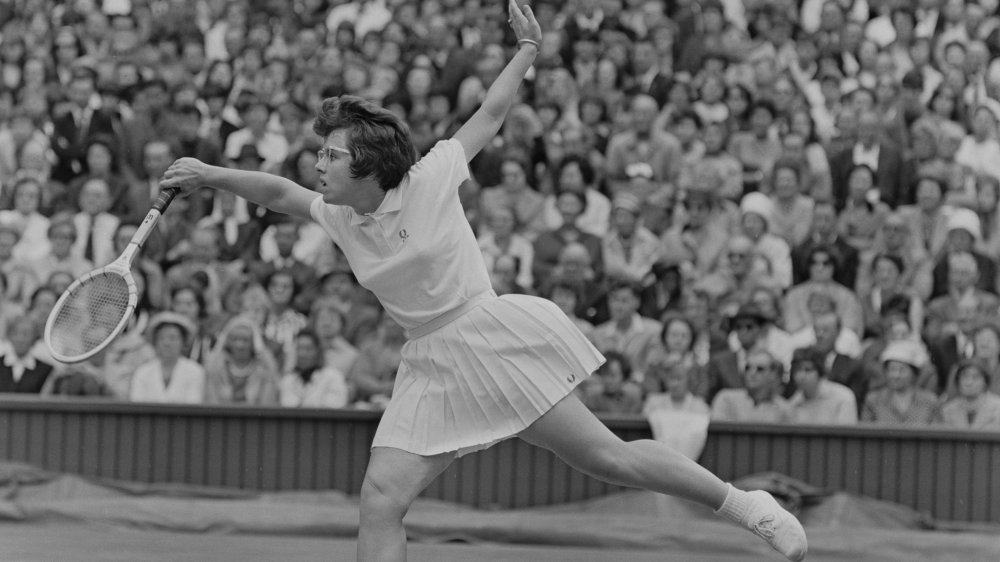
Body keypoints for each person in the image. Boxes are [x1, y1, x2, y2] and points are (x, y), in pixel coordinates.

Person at [160, 4, 807, 561]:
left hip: (490, 337)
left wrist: (528, 49)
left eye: (332, 154)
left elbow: (491, 112)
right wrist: (209, 174)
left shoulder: (431, 179)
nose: (318, 163)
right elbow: (276, 190)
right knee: (381, 499)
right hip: (428, 365)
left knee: (606, 458)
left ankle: (747, 507)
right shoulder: (336, 214)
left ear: (369, 165)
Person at [128, 312, 205, 404]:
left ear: (183, 341)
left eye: (172, 338)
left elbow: (193, 406)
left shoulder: (195, 371)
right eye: (161, 338)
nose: (167, 343)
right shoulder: (142, 372)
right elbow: (136, 407)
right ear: (155, 341)